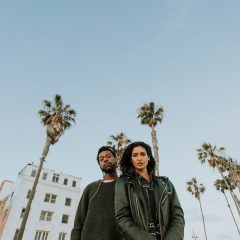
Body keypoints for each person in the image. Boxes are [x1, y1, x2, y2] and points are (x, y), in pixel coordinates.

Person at [115, 141, 185, 240]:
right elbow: (122, 218)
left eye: (143, 154)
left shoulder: (165, 183)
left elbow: (177, 215)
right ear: (131, 160)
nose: (139, 158)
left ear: (148, 157)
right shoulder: (123, 183)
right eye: (135, 155)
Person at [71, 146, 122, 240]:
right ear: (99, 164)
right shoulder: (91, 188)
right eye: (101, 159)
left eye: (108, 156)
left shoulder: (125, 186)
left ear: (116, 159)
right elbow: (79, 222)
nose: (105, 160)